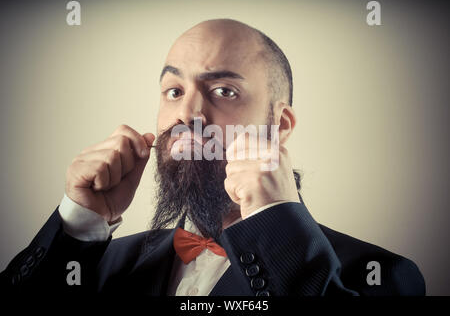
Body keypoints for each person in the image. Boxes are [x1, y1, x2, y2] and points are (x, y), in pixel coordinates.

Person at [0, 19, 425, 296]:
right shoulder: (99, 265)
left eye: (224, 91)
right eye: (174, 91)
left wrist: (275, 221)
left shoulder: (381, 276)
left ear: (279, 126)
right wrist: (80, 223)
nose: (188, 114)